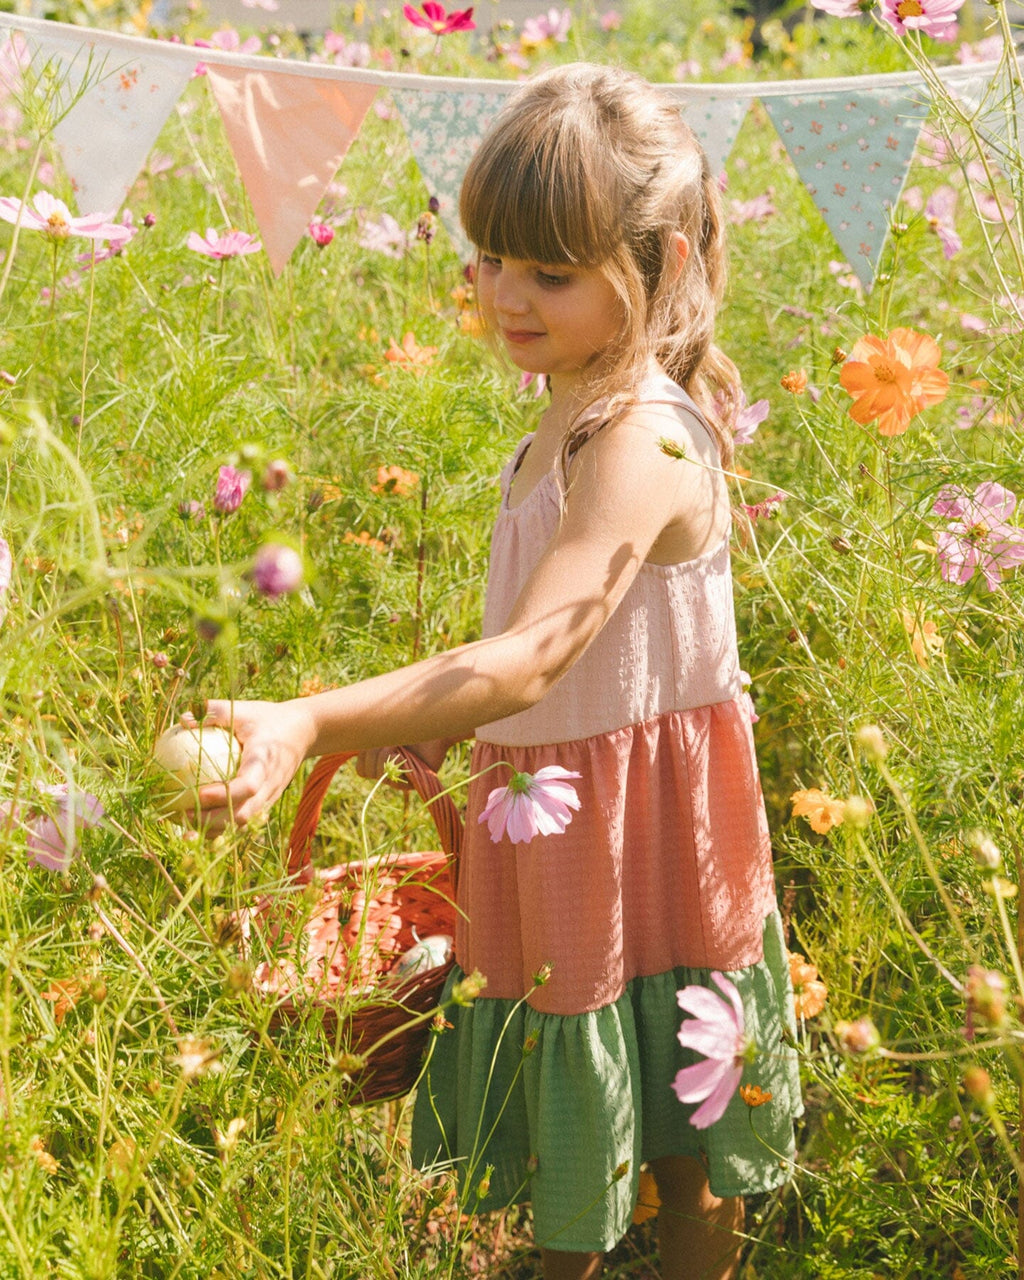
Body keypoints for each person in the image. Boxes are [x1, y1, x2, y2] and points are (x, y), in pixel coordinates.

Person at [192, 62, 800, 1280]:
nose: (504, 296)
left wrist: (313, 720)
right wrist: (440, 724)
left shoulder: (642, 434)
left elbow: (530, 657)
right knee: (570, 1084)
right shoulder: (567, 404)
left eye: (550, 272)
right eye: (490, 259)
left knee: (685, 1104)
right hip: (561, 806)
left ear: (663, 266)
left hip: (646, 824)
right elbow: (530, 659)